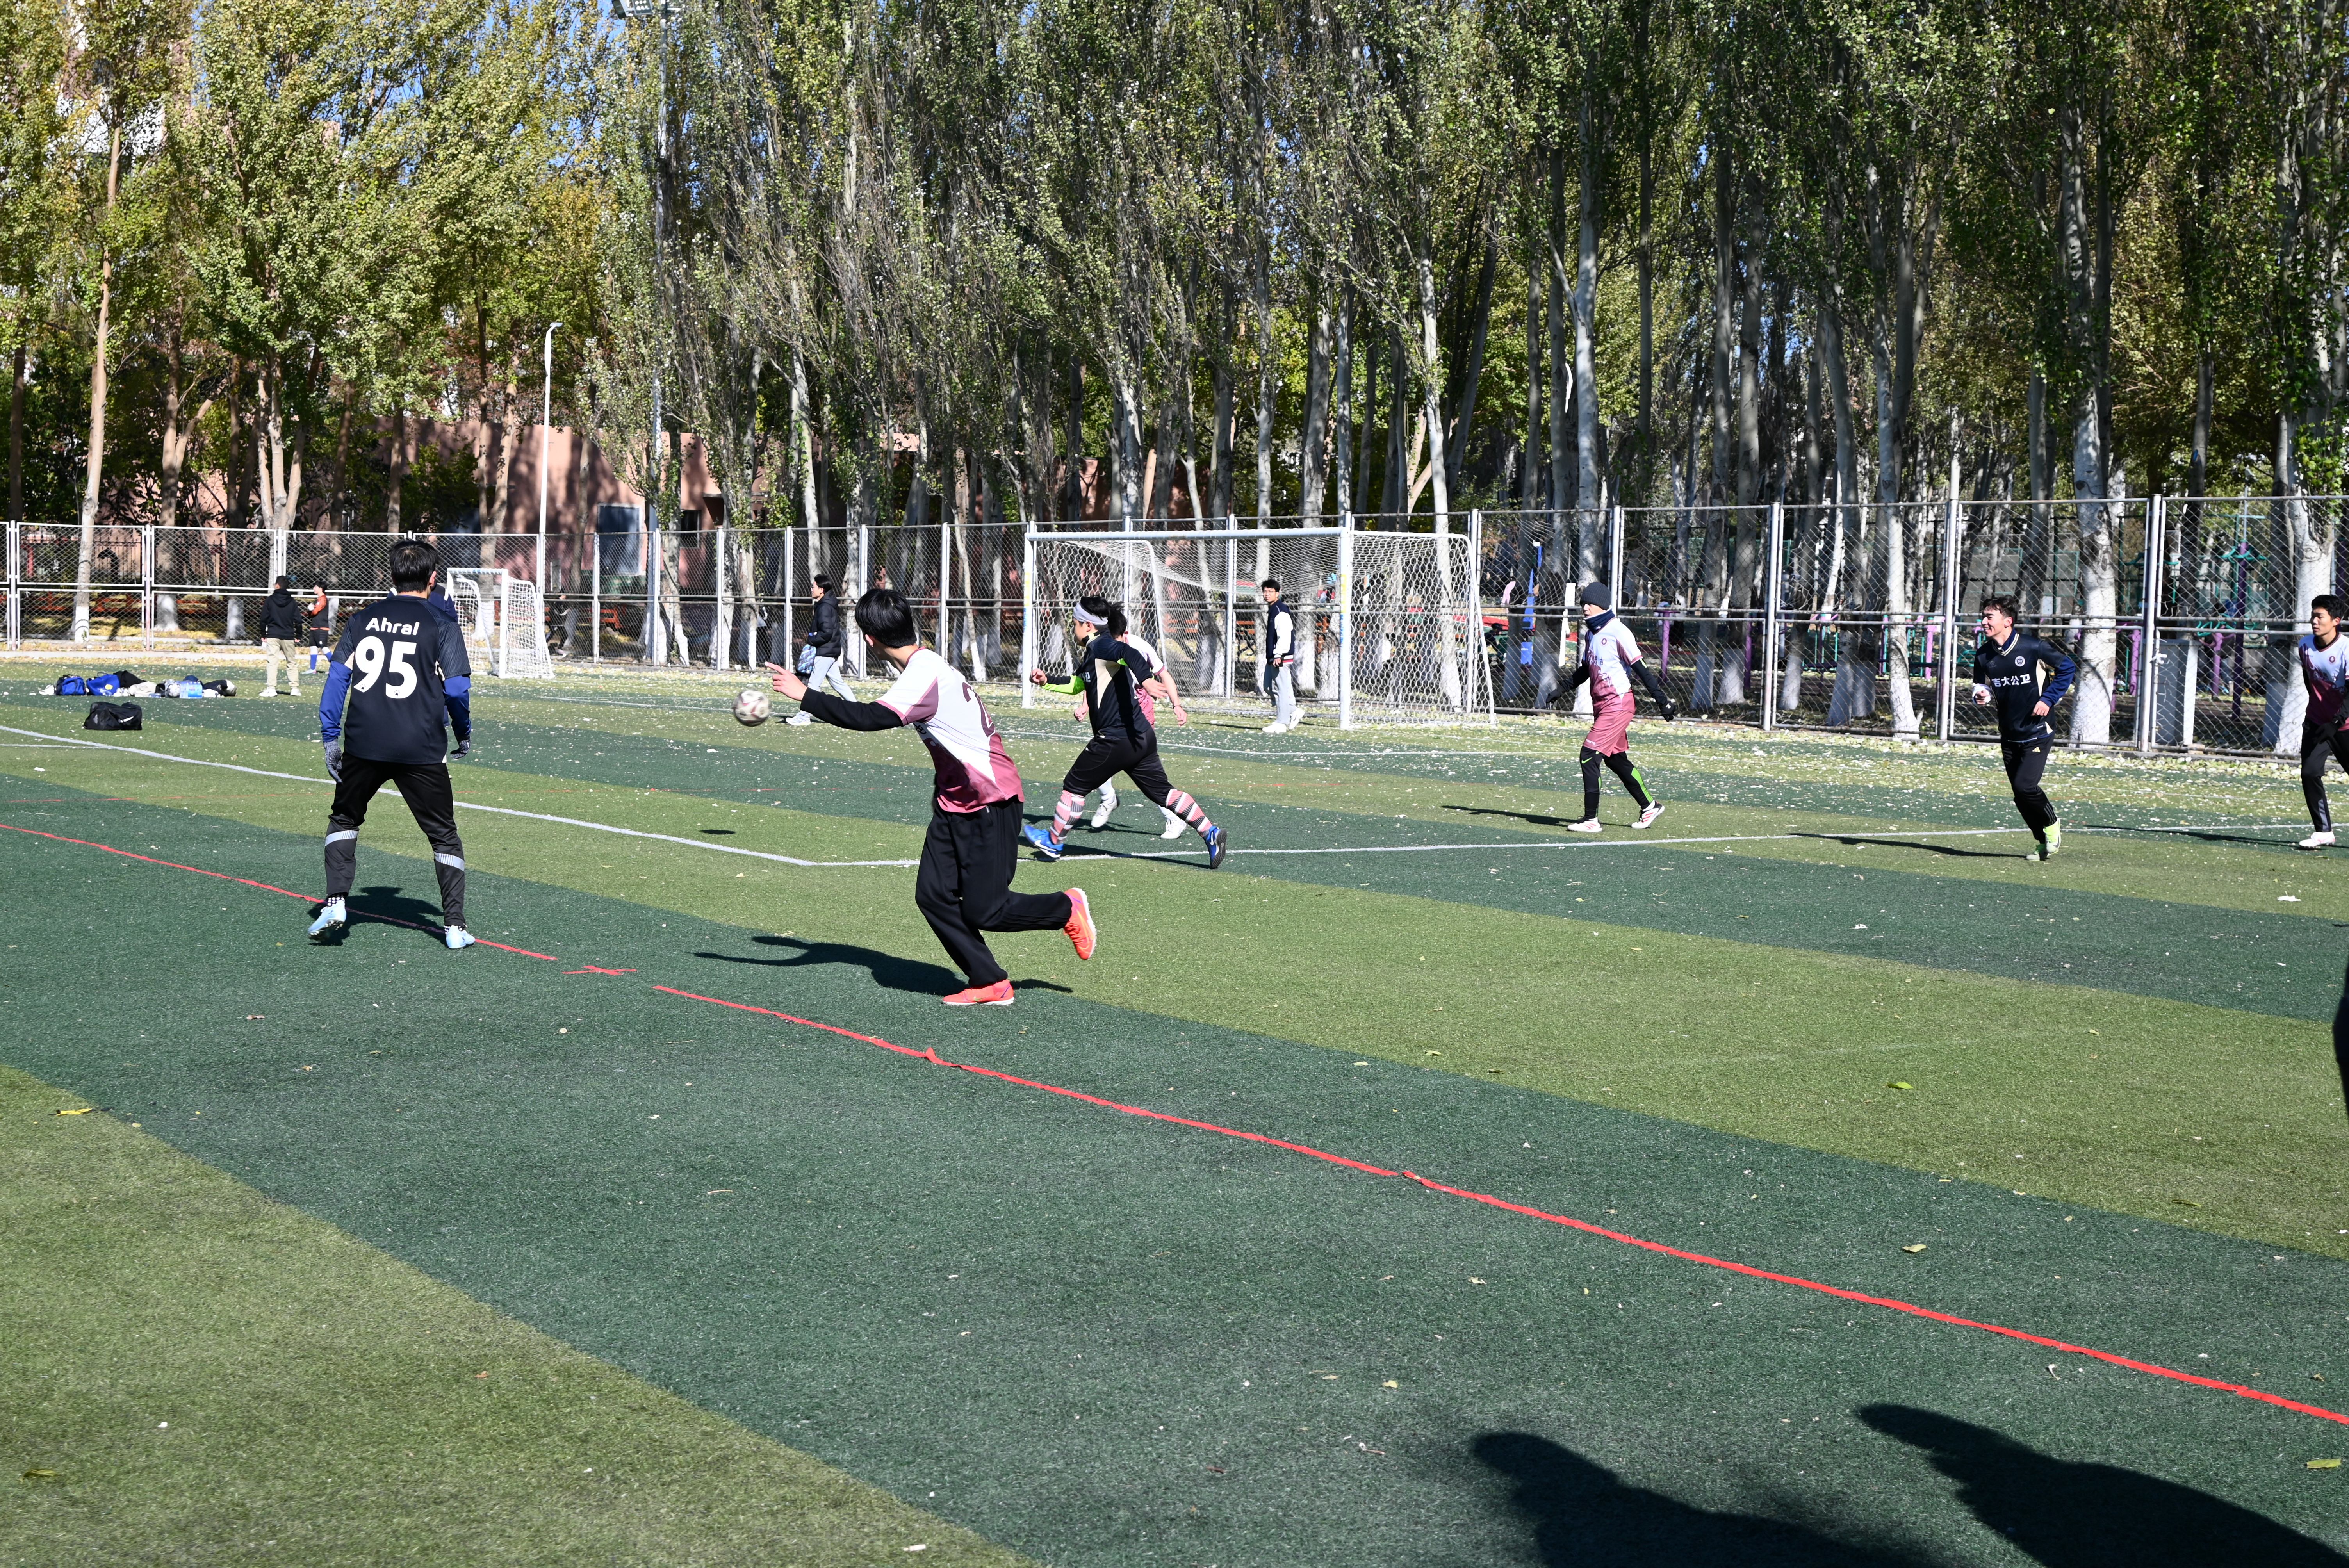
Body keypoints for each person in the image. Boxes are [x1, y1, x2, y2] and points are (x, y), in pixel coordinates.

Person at [767, 588, 1093, 1006]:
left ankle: (1065, 907)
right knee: (933, 896)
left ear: (869, 639)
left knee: (987, 911)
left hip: (991, 800)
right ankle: (989, 980)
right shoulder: (926, 665)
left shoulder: (924, 674)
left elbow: (870, 718)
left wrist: (805, 695)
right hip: (954, 801)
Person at [308, 538, 478, 950]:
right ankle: (454, 927)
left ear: (392, 576)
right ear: (433, 578)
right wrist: (463, 731)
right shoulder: (442, 623)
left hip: (364, 742)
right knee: (444, 836)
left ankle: (336, 902)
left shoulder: (361, 619)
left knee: (345, 819)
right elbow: (457, 689)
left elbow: (337, 678)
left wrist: (330, 736)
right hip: (421, 745)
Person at [1023, 594, 1226, 868]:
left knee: (1074, 787)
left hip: (1115, 739)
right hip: (1140, 736)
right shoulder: (1094, 652)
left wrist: (1147, 680)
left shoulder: (1103, 645)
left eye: (1075, 623)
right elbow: (1078, 684)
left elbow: (1128, 653)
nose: (1074, 629)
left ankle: (1053, 842)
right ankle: (1211, 833)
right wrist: (1047, 681)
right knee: (1163, 793)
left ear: (1087, 626)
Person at [1562, 583, 1676, 833]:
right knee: (1615, 760)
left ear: (1602, 604)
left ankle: (1591, 821)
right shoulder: (1591, 633)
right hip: (1602, 705)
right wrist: (1562, 688)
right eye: (1583, 603)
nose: (1585, 608)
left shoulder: (1619, 631)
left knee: (1589, 756)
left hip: (1618, 704)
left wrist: (1662, 700)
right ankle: (1650, 806)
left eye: (1590, 603)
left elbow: (1642, 669)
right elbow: (1586, 669)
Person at [1970, 593, 2076, 861]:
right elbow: (1981, 686)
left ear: (2008, 621)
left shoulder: (2033, 647)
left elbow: (2068, 668)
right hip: (2009, 733)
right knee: (2020, 794)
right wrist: (1981, 695)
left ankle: (2052, 825)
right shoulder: (1983, 655)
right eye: (1983, 617)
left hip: (2038, 731)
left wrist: (2048, 699)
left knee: (2025, 786)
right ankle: (2043, 842)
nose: (1984, 622)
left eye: (1989, 617)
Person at [1081, 625, 1188, 840]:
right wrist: (1085, 705)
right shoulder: (1100, 646)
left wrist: (1177, 704)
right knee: (1097, 760)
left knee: (1144, 771)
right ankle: (1109, 799)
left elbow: (1164, 675)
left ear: (1125, 635)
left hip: (1140, 714)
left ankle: (1174, 818)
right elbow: (1094, 678)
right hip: (1113, 714)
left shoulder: (1140, 647)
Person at [2296, 593, 2349, 849]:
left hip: (2345, 725)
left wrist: (2336, 722)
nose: (2314, 621)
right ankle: (2324, 831)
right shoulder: (2305, 645)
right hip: (2317, 723)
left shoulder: (2347, 649)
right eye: (2313, 616)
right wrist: (2316, 713)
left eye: (2320, 617)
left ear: (2336, 621)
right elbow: (2310, 680)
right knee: (2309, 773)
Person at [786, 573, 857, 725]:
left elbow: (827, 633)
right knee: (838, 683)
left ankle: (804, 716)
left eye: (813, 587)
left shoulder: (825, 607)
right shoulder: (825, 605)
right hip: (829, 651)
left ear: (821, 590)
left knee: (813, 685)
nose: (811, 589)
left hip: (824, 651)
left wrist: (811, 640)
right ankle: (858, 711)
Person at [258, 576, 308, 697]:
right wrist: (299, 634)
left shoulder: (270, 600)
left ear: (277, 586)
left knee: (272, 662)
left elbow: (264, 619)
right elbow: (298, 620)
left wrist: (263, 634)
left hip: (273, 635)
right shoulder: (292, 602)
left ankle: (271, 688)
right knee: (292, 662)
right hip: (288, 635)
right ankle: (295, 688)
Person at [1260, 579, 1297, 733]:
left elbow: (1285, 635)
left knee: (1280, 689)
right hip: (1273, 656)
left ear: (1277, 593)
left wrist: (1279, 654)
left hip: (1281, 656)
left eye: (1271, 591)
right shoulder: (1273, 609)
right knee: (1268, 687)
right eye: (1265, 591)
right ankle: (1294, 711)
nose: (1267, 594)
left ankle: (1282, 723)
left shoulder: (1280, 610)